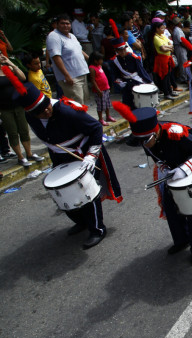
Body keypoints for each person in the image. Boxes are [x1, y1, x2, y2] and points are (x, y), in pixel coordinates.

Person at [111, 102, 192, 266]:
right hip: (171, 172)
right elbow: (156, 156)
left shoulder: (177, 133)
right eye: (140, 141)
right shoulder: (146, 139)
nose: (143, 145)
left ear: (155, 133)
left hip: (191, 169)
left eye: (145, 140)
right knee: (170, 207)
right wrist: (165, 167)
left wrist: (184, 169)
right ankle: (181, 240)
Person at [8, 74, 122, 248]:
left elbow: (96, 128)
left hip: (84, 152)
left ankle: (97, 229)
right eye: (41, 111)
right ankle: (81, 221)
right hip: (60, 155)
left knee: (86, 191)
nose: (46, 111)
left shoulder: (67, 111)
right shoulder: (31, 117)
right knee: (62, 190)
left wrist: (92, 155)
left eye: (46, 106)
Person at [0, 60, 45, 166]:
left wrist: (11, 64)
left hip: (18, 105)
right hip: (4, 108)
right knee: (13, 132)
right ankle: (20, 157)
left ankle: (29, 153)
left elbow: (22, 78)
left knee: (24, 130)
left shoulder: (7, 69)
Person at [108, 20, 153, 109]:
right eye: (120, 50)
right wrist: (120, 82)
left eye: (123, 49)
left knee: (142, 104)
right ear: (116, 51)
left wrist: (149, 82)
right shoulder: (115, 61)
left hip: (137, 81)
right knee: (129, 106)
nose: (122, 52)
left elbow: (141, 71)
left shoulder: (133, 57)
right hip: (126, 85)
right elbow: (115, 75)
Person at [46, 13, 90, 105]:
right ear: (57, 24)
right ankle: (77, 119)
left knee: (83, 102)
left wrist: (92, 61)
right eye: (62, 23)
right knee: (76, 104)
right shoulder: (54, 36)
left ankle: (82, 119)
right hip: (71, 77)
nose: (66, 25)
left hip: (82, 73)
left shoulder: (72, 36)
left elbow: (79, 51)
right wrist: (66, 75)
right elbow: (56, 57)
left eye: (67, 23)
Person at [151, 18, 176, 100]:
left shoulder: (162, 36)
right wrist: (169, 47)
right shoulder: (156, 37)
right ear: (157, 29)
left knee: (168, 75)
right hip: (162, 59)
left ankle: (170, 91)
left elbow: (170, 44)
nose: (163, 29)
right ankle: (166, 93)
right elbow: (163, 48)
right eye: (161, 28)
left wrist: (167, 47)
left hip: (167, 58)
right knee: (164, 76)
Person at [88, 52, 114, 126]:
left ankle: (108, 116)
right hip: (99, 90)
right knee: (101, 106)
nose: (102, 61)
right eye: (100, 60)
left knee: (107, 104)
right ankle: (101, 119)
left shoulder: (99, 66)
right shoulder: (92, 68)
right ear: (95, 60)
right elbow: (93, 80)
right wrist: (98, 90)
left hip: (106, 88)